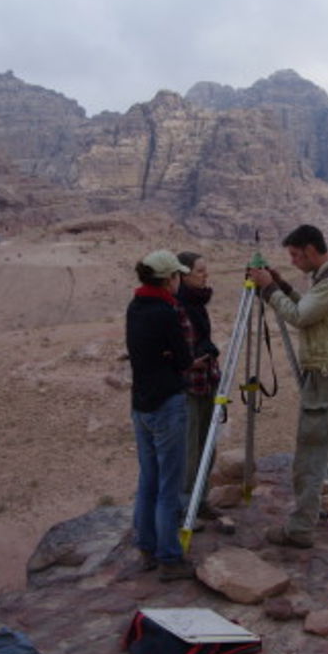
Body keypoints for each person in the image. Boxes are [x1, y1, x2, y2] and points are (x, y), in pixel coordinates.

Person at [249, 224, 328, 548]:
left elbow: (301, 316)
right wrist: (281, 285)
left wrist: (268, 290)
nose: (294, 261)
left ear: (312, 250)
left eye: (295, 255)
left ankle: (300, 528)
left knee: (309, 456)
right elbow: (309, 306)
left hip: (325, 377)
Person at [125, 249, 196, 581]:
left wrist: (167, 354)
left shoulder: (135, 308)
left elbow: (146, 355)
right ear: (169, 279)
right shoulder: (166, 312)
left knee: (148, 479)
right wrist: (174, 355)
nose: (179, 281)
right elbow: (184, 359)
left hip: (140, 404)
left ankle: (146, 549)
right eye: (178, 276)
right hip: (167, 403)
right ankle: (170, 558)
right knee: (170, 483)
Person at [176, 251, 222, 520]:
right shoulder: (178, 306)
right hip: (189, 387)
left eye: (206, 270)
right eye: (200, 271)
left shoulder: (196, 303)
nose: (206, 276)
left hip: (207, 381)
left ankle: (200, 499)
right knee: (190, 449)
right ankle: (185, 507)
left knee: (207, 444)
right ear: (183, 275)